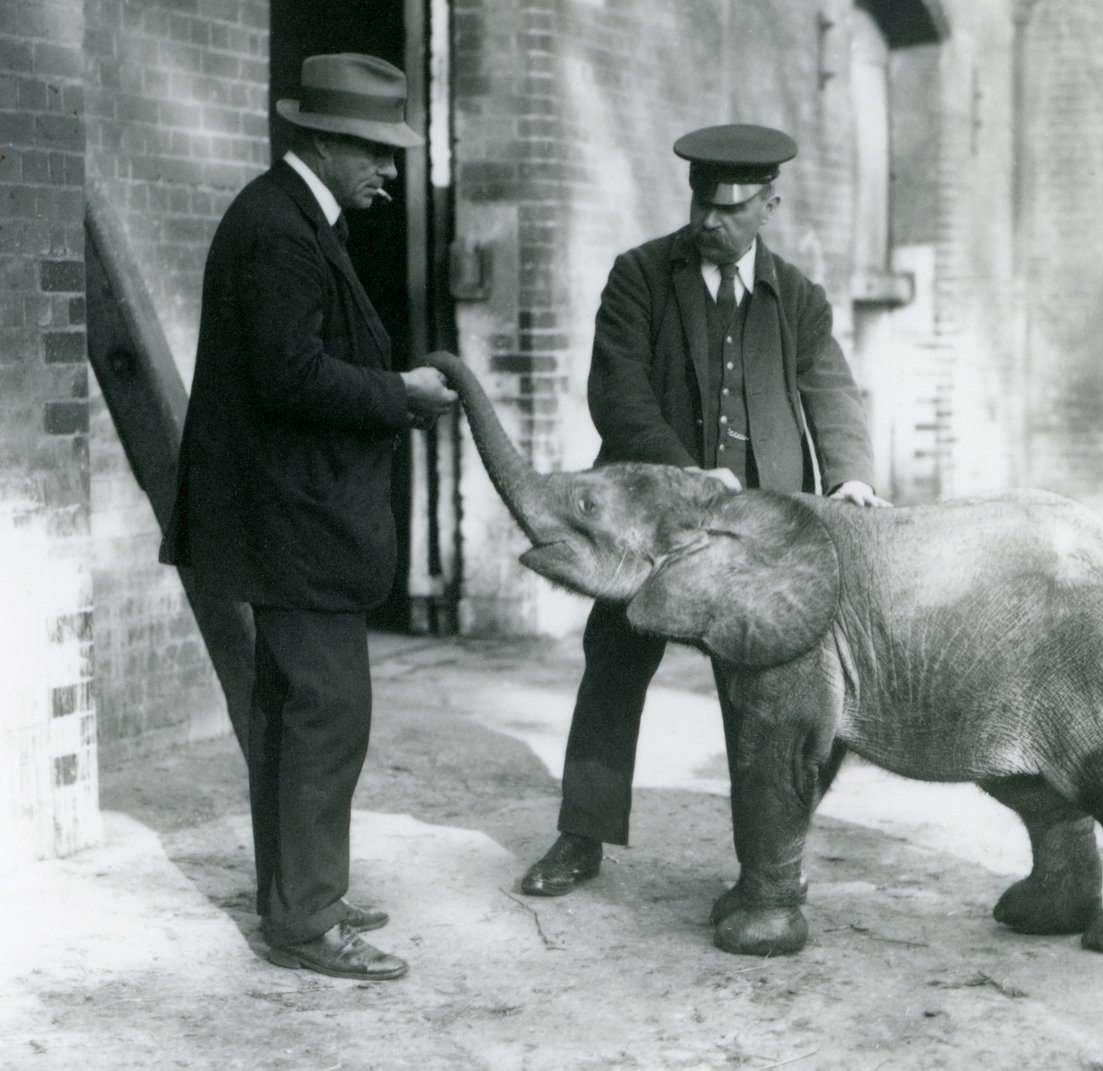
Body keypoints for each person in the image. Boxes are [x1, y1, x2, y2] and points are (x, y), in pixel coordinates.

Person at [519, 123, 889, 897]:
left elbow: (831, 391)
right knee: (613, 668)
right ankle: (579, 835)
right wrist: (689, 475)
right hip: (647, 526)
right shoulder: (640, 276)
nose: (708, 221)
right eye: (700, 203)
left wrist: (851, 476)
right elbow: (616, 395)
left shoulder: (800, 297)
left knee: (761, 692)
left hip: (754, 537)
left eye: (729, 208)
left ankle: (766, 859)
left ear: (768, 205)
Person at [159, 53, 457, 981]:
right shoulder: (280, 231)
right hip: (290, 527)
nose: (391, 169)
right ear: (321, 140)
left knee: (292, 717)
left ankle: (294, 896)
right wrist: (399, 392)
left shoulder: (286, 217)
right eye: (374, 148)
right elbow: (292, 377)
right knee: (327, 717)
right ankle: (308, 921)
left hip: (283, 521)